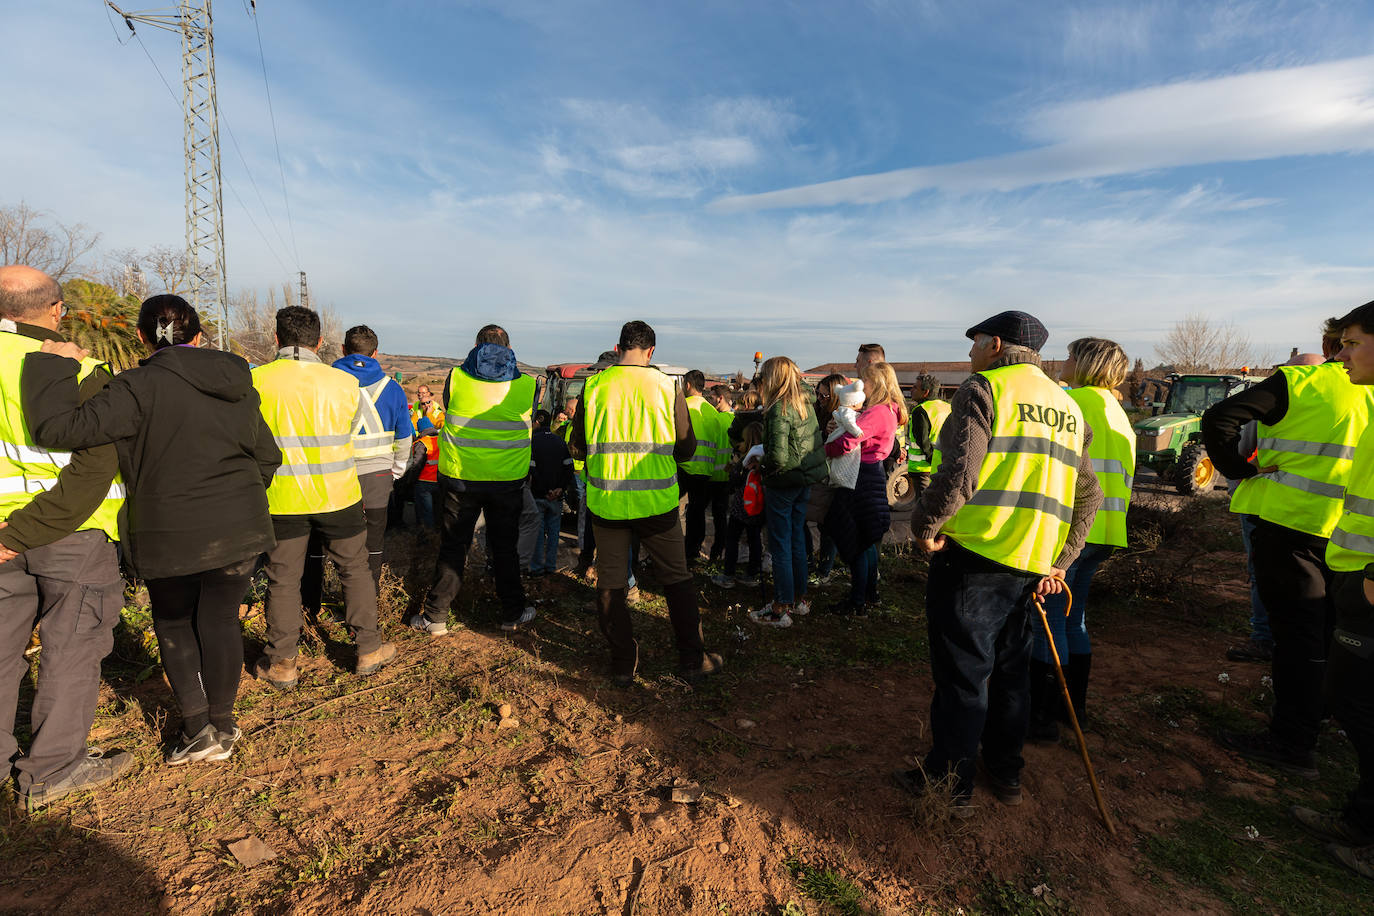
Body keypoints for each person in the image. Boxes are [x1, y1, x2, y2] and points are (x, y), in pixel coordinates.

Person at [27, 294, 280, 765]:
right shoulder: (238, 383)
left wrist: (50, 367)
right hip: (240, 527)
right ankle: (222, 727)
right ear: (200, 337)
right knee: (220, 619)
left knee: (173, 622)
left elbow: (58, 430)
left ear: (141, 337)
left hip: (168, 530)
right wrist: (240, 500)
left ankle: (198, 728)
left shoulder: (134, 387)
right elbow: (267, 457)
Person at [894, 310, 1102, 813]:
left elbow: (961, 473)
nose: (968, 352)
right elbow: (1090, 496)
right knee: (1011, 673)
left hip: (976, 557)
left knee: (964, 676)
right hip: (1032, 565)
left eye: (974, 342)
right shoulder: (1069, 408)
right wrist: (1060, 560)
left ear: (996, 344)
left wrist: (923, 526)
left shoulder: (985, 389)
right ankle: (1005, 772)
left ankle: (951, 786)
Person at [1203, 338, 1374, 777]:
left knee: (1297, 639)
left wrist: (1239, 470)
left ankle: (1292, 742)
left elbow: (1220, 418)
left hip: (1289, 525)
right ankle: (1320, 718)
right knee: (1332, 633)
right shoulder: (1369, 390)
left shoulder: (1304, 381)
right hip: (1350, 535)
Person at [0, 264, 131, 808]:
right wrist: (23, 533)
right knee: (72, 648)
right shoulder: (82, 368)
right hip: (72, 532)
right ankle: (52, 771)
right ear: (56, 312)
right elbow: (93, 470)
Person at [568, 320, 722, 685]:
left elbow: (576, 445)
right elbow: (686, 447)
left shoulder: (593, 386)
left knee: (611, 585)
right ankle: (692, 660)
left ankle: (622, 664)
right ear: (651, 351)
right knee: (677, 580)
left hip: (606, 504)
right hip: (657, 505)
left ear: (619, 347)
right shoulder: (666, 387)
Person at [251, 306, 397, 688]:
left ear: (277, 338)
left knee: (282, 579)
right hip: (339, 496)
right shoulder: (344, 383)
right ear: (319, 342)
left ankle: (282, 662)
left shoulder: (255, 381)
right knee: (355, 569)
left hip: (281, 499)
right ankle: (368, 648)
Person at [1292, 299, 1374, 878]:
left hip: (1369, 585)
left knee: (1364, 708)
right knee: (1353, 703)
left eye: (1352, 343)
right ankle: (1361, 820)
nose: (1340, 354)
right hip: (1353, 572)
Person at [1028, 337, 1134, 743]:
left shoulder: (1074, 402)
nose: (1064, 361)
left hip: (1073, 532)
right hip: (1107, 531)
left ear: (1088, 363)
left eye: (1072, 356)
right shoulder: (1117, 410)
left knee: (1047, 624)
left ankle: (1042, 719)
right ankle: (1075, 712)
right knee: (1075, 620)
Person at [412, 325, 536, 635]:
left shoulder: (456, 377)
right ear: (508, 346)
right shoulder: (527, 385)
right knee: (505, 548)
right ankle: (512, 613)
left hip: (461, 477)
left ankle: (436, 617)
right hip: (508, 480)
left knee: (454, 546)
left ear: (476, 346)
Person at [302, 326, 413, 617]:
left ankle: (311, 605)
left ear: (342, 349)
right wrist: (397, 471)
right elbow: (404, 437)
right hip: (377, 476)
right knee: (372, 546)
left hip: (332, 473)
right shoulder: (392, 387)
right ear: (375, 352)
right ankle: (366, 608)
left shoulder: (325, 381)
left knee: (322, 539)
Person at [823, 362, 907, 616]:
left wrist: (825, 449)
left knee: (855, 538)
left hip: (861, 476)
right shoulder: (891, 409)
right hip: (872, 473)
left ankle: (857, 600)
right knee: (867, 540)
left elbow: (849, 442)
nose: (861, 386)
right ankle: (869, 593)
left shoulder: (877, 412)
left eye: (865, 382)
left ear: (877, 384)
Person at [749, 356, 826, 627]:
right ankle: (799, 599)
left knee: (780, 544)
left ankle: (781, 606)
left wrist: (761, 462)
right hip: (804, 480)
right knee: (795, 541)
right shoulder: (805, 403)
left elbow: (779, 457)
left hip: (783, 483)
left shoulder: (779, 409)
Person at [710, 422, 766, 589]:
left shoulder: (746, 460)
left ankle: (728, 574)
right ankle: (753, 572)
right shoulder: (764, 458)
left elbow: (734, 480)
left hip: (742, 506)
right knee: (755, 538)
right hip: (757, 505)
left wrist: (735, 465)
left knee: (732, 538)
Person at [677, 369, 721, 565]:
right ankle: (693, 552)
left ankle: (673, 550)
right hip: (706, 471)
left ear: (687, 385)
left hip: (683, 466)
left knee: (673, 512)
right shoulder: (712, 411)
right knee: (698, 513)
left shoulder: (683, 407)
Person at [529, 409, 573, 575]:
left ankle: (537, 568)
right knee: (554, 532)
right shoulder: (559, 442)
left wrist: (545, 490)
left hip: (539, 495)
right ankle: (551, 566)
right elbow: (568, 468)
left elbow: (532, 470)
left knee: (538, 533)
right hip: (556, 497)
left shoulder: (532, 442)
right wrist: (559, 489)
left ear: (537, 422)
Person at [908, 372, 951, 498]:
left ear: (925, 392)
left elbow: (923, 442)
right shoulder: (949, 408)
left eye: (915, 387)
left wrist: (933, 462)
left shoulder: (920, 411)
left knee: (923, 509)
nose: (911, 390)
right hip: (944, 467)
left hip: (923, 470)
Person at [412, 417, 440, 530]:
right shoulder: (440, 439)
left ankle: (428, 533)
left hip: (424, 481)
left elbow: (417, 464)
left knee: (425, 510)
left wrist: (410, 480)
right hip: (439, 480)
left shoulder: (422, 443)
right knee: (438, 508)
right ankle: (438, 531)